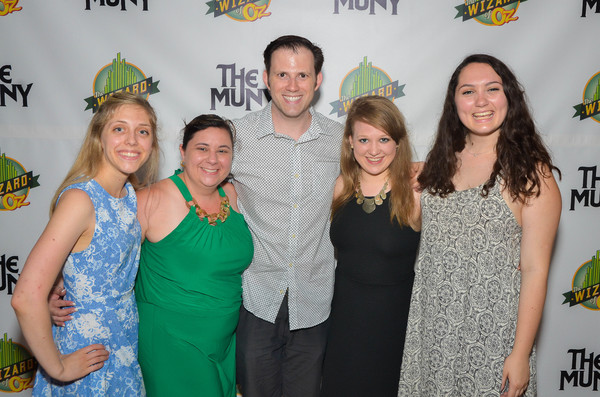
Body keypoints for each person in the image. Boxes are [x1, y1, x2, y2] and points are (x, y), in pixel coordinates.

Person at [397, 54, 561, 397]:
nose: (481, 101)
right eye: (468, 91)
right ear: (454, 102)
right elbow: (420, 231)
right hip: (432, 332)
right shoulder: (438, 164)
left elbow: (534, 270)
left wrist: (520, 355)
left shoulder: (532, 174)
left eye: (492, 89)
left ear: (509, 97)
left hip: (491, 337)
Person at [11, 91, 159, 396]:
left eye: (142, 131)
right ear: (98, 137)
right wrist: (58, 368)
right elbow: (25, 296)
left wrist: (60, 285)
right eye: (119, 128)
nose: (132, 140)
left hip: (124, 348)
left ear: (152, 143)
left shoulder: (132, 196)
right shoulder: (81, 200)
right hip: (85, 354)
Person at [232, 35, 344, 397]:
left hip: (315, 302)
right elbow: (190, 187)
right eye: (282, 75)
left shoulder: (341, 141)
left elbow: (387, 171)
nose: (292, 86)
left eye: (302, 75)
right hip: (255, 300)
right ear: (265, 78)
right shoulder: (236, 137)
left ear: (318, 80)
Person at [134, 114, 253, 396]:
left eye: (222, 151)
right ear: (183, 152)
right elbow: (109, 263)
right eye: (202, 148)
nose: (212, 159)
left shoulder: (232, 195)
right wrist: (59, 290)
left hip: (223, 345)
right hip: (171, 343)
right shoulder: (151, 199)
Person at [320, 96, 421, 397]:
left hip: (393, 325)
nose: (373, 150)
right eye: (364, 139)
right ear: (350, 141)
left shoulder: (416, 192)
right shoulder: (340, 186)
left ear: (398, 143)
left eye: (384, 139)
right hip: (343, 321)